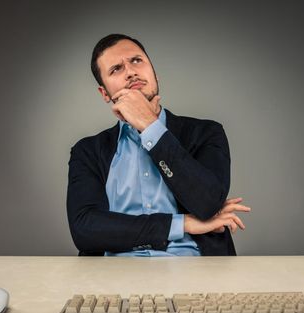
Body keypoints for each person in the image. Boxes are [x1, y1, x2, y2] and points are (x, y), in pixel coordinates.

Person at [67, 34, 250, 256]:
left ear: (155, 74)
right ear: (105, 93)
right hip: (114, 274)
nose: (131, 71)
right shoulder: (88, 151)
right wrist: (182, 224)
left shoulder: (206, 133)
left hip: (196, 270)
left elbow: (208, 203)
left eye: (136, 60)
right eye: (116, 69)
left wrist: (150, 126)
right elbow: (85, 229)